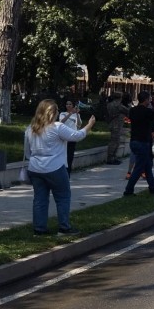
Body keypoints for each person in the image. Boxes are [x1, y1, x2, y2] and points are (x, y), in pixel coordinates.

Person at [24, 99, 96, 235]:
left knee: (40, 199)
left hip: (35, 168)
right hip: (55, 167)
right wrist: (89, 125)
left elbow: (27, 152)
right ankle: (64, 227)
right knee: (63, 196)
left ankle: (39, 229)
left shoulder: (30, 129)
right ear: (52, 112)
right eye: (56, 110)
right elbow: (77, 136)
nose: (58, 113)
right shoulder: (57, 127)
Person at [124, 91, 154, 196]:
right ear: (146, 100)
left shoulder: (132, 110)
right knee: (139, 168)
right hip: (143, 142)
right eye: (150, 99)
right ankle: (128, 190)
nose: (150, 100)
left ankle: (153, 187)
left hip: (134, 141)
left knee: (147, 165)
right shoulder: (148, 111)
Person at [59, 99, 82, 176]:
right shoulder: (63, 113)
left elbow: (79, 125)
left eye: (70, 104)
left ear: (73, 106)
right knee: (63, 155)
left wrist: (77, 114)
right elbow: (61, 122)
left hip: (72, 137)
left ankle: (68, 172)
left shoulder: (76, 115)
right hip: (64, 137)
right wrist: (70, 113)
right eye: (67, 104)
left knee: (70, 156)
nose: (68, 106)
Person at [105, 92, 129, 164]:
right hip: (117, 125)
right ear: (120, 98)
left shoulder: (109, 104)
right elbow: (127, 111)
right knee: (115, 142)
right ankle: (111, 158)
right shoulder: (118, 105)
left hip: (112, 123)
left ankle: (113, 157)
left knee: (115, 141)